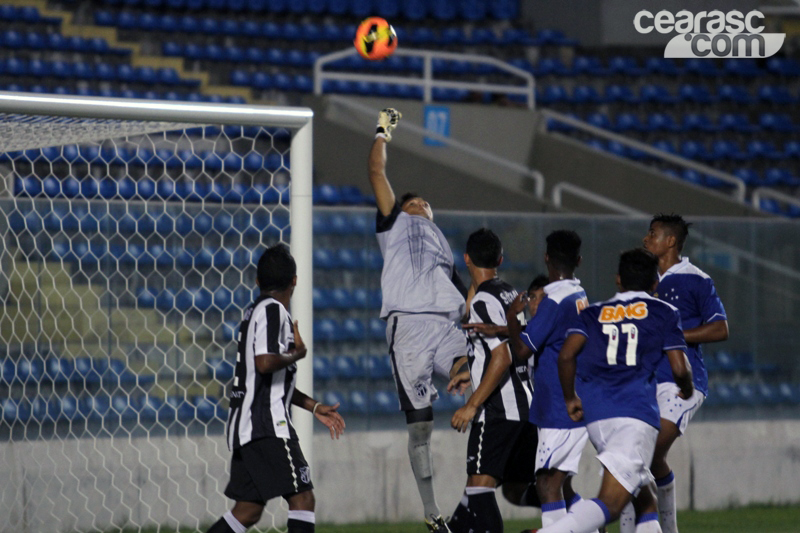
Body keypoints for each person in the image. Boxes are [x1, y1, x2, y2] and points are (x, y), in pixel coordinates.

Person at [526, 248, 694, 533]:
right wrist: (687, 389)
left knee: (645, 500)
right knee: (612, 504)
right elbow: (680, 368)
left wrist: (570, 398)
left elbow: (566, 356)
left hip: (596, 418)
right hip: (634, 416)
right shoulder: (664, 312)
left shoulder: (593, 313)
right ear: (655, 284)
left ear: (618, 280)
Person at [368, 108, 470, 532]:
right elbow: (376, 172)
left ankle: (478, 490)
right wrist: (382, 131)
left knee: (485, 380)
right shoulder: (395, 226)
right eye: (415, 201)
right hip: (408, 326)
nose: (422, 204)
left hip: (447, 325)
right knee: (422, 427)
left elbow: (470, 296)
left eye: (426, 203)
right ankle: (432, 512)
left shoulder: (442, 249)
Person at [206, 244, 346, 533]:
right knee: (303, 499)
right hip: (267, 427)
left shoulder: (253, 311)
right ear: (294, 280)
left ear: (257, 282)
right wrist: (298, 354)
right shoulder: (273, 311)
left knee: (247, 511)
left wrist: (314, 406)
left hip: (247, 426)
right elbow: (265, 363)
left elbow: (270, 380)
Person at [632, 213, 728, 533]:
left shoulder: (695, 278)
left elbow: (720, 328)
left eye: (653, 233)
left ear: (670, 241)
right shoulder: (644, 282)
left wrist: (674, 335)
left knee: (642, 457)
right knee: (648, 458)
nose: (646, 239)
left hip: (682, 381)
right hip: (647, 381)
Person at [444, 229, 536, 533]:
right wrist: (469, 372)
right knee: (505, 488)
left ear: (467, 258)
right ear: (499, 259)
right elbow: (506, 349)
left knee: (479, 489)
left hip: (498, 410)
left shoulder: (484, 300)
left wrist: (472, 405)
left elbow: (501, 358)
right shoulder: (510, 293)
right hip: (525, 407)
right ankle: (578, 514)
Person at [506, 230, 594, 531]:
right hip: (571, 398)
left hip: (560, 404)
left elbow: (521, 349)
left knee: (546, 483)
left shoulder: (554, 299)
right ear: (578, 260)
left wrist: (511, 317)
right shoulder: (578, 294)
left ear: (546, 258)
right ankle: (594, 528)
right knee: (561, 484)